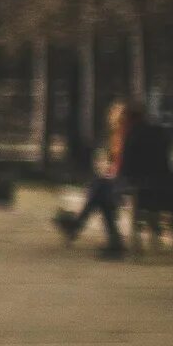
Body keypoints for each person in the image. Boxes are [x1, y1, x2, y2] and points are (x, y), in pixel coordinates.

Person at [56, 98, 138, 256]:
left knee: (99, 189)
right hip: (120, 180)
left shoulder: (128, 136)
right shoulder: (118, 137)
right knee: (100, 191)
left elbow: (126, 166)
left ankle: (77, 226)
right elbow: (116, 165)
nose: (117, 120)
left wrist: (111, 175)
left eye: (121, 116)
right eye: (116, 116)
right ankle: (113, 241)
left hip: (127, 182)